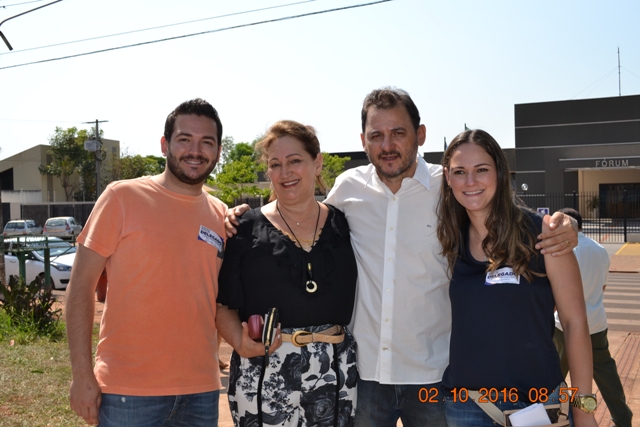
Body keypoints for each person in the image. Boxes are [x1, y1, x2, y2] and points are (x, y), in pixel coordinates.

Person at [226, 88, 578, 427]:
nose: (387, 145)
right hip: (365, 374)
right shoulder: (348, 188)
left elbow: (498, 210)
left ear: (420, 134)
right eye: (376, 135)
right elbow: (305, 216)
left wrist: (567, 223)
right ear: (363, 141)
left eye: (398, 133)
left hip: (434, 375)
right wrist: (243, 216)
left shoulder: (450, 186)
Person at [66, 98, 227, 426]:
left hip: (201, 392)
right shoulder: (121, 198)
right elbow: (80, 288)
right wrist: (81, 375)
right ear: (165, 145)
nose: (195, 151)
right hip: (127, 394)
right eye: (184, 139)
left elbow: (220, 301)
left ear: (218, 151)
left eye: (206, 142)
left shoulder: (221, 215)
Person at [437, 129, 597, 427]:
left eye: (481, 170)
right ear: (448, 177)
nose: (470, 181)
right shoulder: (448, 239)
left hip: (538, 405)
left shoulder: (545, 234)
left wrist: (584, 410)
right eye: (460, 172)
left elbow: (575, 323)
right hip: (467, 407)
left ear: (500, 171)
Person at [216, 120, 358, 427]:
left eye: (295, 161)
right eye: (275, 164)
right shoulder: (245, 228)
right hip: (263, 373)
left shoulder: (346, 224)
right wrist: (239, 342)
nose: (285, 172)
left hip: (335, 374)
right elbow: (223, 305)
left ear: (317, 163)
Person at [554, 208, 633, 427]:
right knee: (606, 373)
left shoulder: (563, 250)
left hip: (564, 325)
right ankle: (622, 417)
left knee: (555, 375)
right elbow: (603, 286)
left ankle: (551, 414)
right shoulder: (600, 250)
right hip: (596, 323)